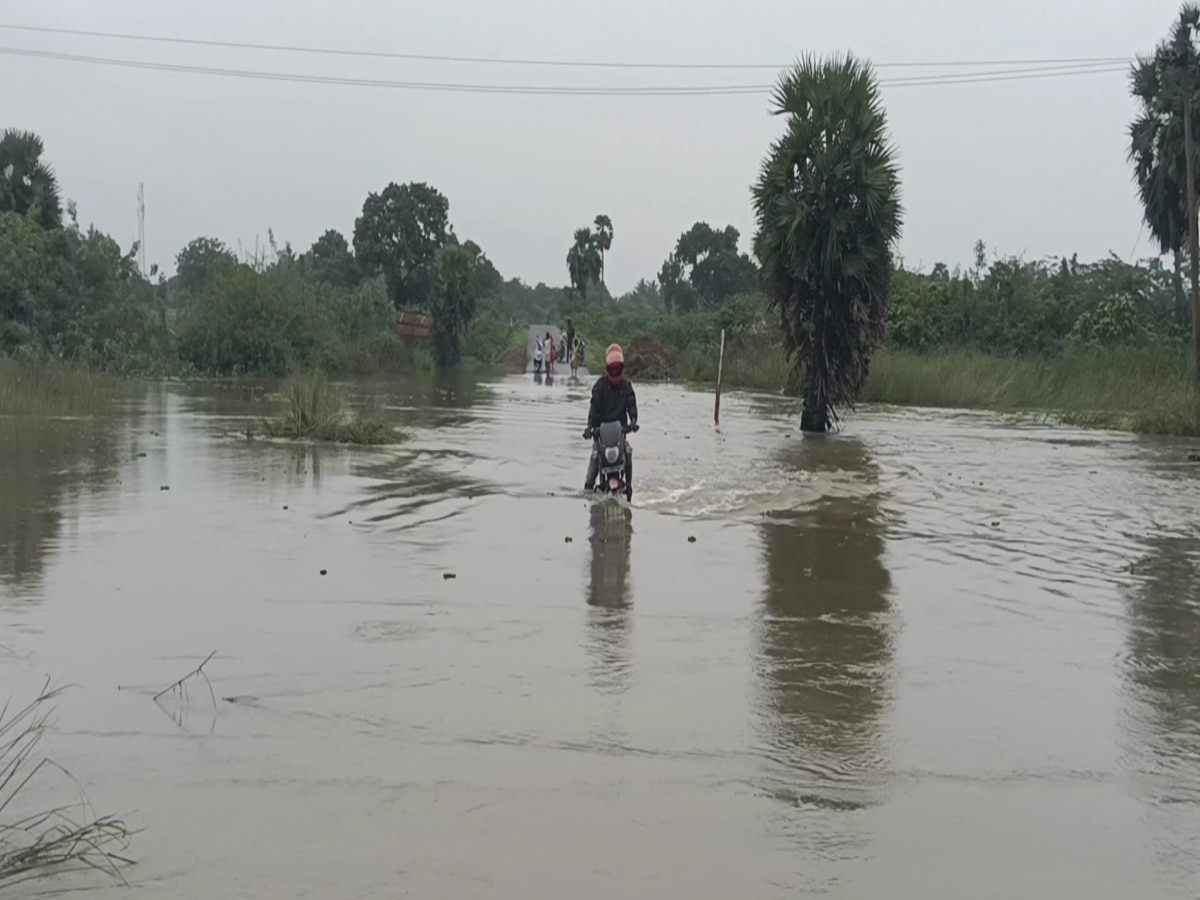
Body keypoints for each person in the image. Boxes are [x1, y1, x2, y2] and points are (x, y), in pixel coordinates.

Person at [583, 343, 638, 501]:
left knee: (628, 452)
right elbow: (593, 409)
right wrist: (589, 428)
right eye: (612, 369)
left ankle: (629, 487)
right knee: (594, 460)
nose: (615, 372)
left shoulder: (626, 386)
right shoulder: (599, 387)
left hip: (619, 437)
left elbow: (632, 406)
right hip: (601, 438)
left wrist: (633, 422)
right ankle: (588, 496)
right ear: (607, 369)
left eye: (617, 369)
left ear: (622, 368)